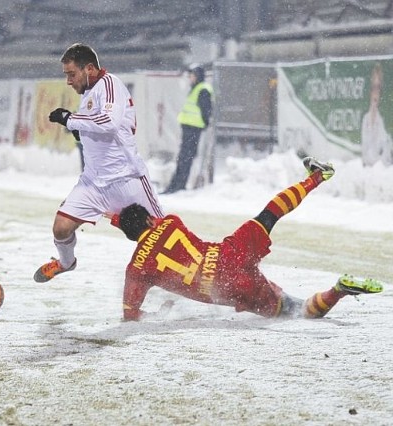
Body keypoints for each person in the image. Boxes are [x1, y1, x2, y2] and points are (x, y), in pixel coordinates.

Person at [110, 157, 382, 321]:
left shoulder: (136, 270)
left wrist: (159, 315)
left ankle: (339, 290)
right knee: (269, 214)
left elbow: (130, 315)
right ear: (148, 220)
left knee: (295, 310)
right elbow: (157, 226)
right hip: (230, 253)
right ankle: (316, 177)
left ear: (130, 236)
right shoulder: (171, 222)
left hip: (229, 287)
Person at [34, 43, 164, 283]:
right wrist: (80, 133)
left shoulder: (110, 84)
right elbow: (96, 125)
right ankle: (65, 263)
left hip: (127, 180)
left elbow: (109, 122)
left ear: (89, 69)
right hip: (93, 183)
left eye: (71, 74)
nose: (68, 81)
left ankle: (195, 281)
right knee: (61, 228)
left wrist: (70, 119)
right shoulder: (89, 94)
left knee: (161, 240)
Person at [164, 63, 213, 193]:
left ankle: (178, 185)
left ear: (197, 76)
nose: (190, 78)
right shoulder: (197, 88)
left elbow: (206, 110)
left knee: (185, 157)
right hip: (190, 128)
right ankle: (176, 185)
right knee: (184, 157)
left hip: (193, 128)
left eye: (191, 76)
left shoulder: (202, 89)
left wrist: (204, 123)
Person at [361, 62, 392, 167]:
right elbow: (365, 145)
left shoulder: (384, 119)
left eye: (378, 88)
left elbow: (385, 145)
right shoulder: (366, 119)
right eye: (373, 87)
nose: (375, 93)